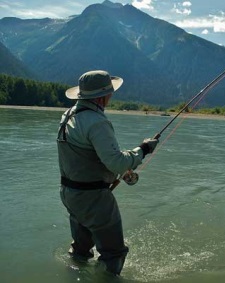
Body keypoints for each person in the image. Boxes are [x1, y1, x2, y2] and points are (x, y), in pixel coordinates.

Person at [57, 70, 158, 275]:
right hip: (93, 198)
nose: (112, 96)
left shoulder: (68, 115)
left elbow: (89, 156)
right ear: (102, 96)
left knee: (80, 249)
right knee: (114, 253)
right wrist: (144, 149)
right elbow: (117, 163)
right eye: (110, 93)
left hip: (70, 194)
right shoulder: (97, 122)